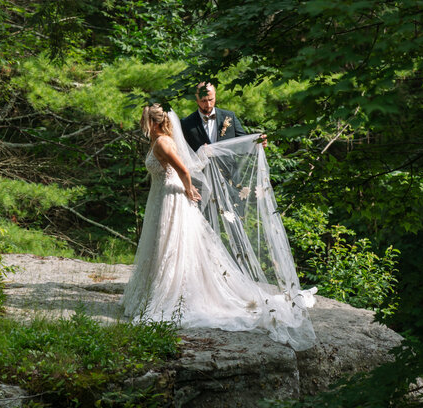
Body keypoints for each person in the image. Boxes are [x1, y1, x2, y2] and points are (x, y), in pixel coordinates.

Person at [121, 104, 316, 347]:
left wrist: (189, 188)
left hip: (171, 198)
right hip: (163, 197)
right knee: (165, 244)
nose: (143, 125)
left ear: (156, 122)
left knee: (170, 243)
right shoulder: (162, 140)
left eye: (146, 121)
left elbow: (182, 168)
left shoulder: (162, 143)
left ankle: (174, 293)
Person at [180, 81, 254, 152]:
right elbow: (184, 152)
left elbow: (244, 141)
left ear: (215, 95)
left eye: (211, 99)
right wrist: (200, 153)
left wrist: (257, 142)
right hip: (202, 165)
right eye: (203, 101)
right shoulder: (186, 123)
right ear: (196, 99)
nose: (208, 105)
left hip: (227, 165)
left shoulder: (229, 116)